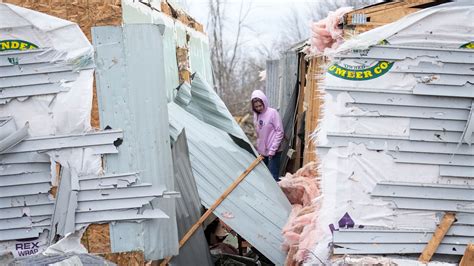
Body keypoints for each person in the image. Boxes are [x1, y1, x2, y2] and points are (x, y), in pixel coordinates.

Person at [251, 90, 284, 181]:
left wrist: (273, 149)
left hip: (274, 150)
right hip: (262, 152)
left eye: (260, 106)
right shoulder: (256, 115)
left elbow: (280, 131)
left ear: (264, 102)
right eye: (256, 107)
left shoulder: (272, 113)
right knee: (263, 177)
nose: (259, 108)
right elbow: (259, 133)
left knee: (273, 178)